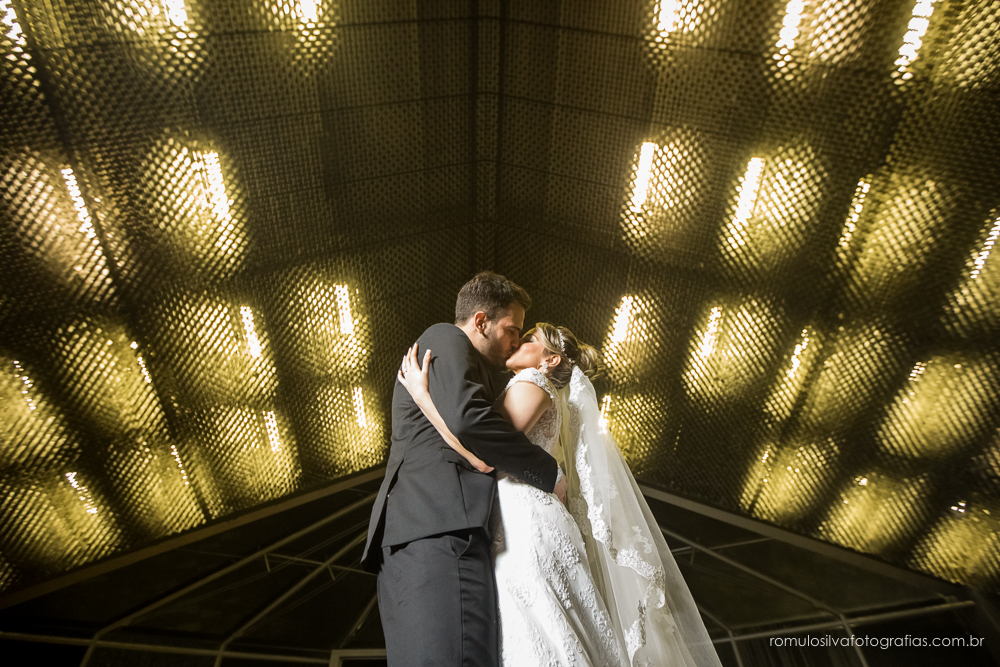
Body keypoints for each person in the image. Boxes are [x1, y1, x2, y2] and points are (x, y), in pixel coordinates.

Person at [397, 322, 724, 667]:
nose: (517, 344)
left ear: (550, 360)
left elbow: (481, 456)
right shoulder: (530, 385)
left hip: (526, 522)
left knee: (539, 626)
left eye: (529, 339)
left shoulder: (532, 382)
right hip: (524, 516)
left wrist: (423, 398)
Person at [360, 272, 567, 667]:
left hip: (432, 530)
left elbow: (466, 425)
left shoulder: (475, 369)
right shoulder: (446, 338)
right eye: (511, 329)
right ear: (480, 321)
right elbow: (469, 419)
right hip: (439, 527)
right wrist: (548, 471)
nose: (515, 340)